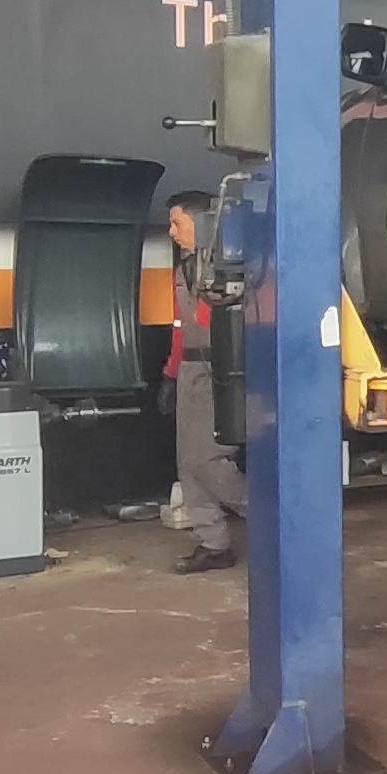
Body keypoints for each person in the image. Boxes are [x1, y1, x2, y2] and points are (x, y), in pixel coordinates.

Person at [167, 190, 245, 574]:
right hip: (191, 370)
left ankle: (274, 516)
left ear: (203, 222)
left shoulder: (234, 267)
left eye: (177, 223)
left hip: (223, 369)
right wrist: (171, 374)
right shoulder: (184, 268)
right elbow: (180, 328)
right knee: (187, 462)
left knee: (208, 459)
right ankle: (213, 544)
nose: (172, 232)